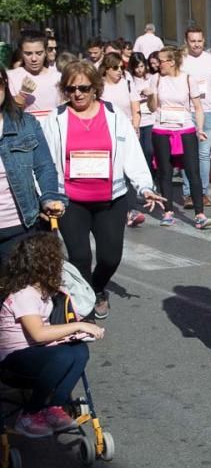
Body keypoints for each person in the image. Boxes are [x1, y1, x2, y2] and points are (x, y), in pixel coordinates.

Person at [41, 61, 164, 320]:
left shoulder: (113, 115)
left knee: (110, 257)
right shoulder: (56, 118)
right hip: (71, 201)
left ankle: (97, 288)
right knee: (80, 256)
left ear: (95, 88)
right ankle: (83, 311)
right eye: (71, 88)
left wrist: (144, 187)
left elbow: (132, 152)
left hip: (111, 200)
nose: (78, 94)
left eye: (84, 88)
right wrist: (47, 195)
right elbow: (45, 161)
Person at [0, 233, 105, 438]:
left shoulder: (45, 291)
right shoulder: (25, 294)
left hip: (38, 353)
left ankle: (53, 407)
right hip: (14, 361)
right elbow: (38, 334)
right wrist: (79, 326)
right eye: (57, 259)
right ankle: (30, 412)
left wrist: (79, 332)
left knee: (79, 351)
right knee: (64, 356)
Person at [0, 65, 66, 261]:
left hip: (21, 227)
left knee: (23, 290)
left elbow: (44, 167)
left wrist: (49, 198)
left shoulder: (26, 123)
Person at [146, 47, 211, 230]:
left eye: (161, 61)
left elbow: (198, 107)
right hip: (162, 129)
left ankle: (200, 214)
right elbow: (152, 108)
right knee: (165, 172)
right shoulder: (156, 78)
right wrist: (151, 95)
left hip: (185, 129)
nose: (157, 64)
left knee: (193, 171)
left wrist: (200, 128)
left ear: (172, 61)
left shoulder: (187, 78)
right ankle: (168, 212)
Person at [180, 26, 211, 210]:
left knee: (204, 154)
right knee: (187, 154)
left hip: (208, 112)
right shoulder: (181, 61)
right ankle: (188, 193)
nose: (196, 44)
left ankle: (204, 192)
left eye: (199, 41)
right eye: (193, 41)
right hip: (186, 112)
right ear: (187, 42)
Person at [98, 54, 144, 227]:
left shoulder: (127, 82)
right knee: (109, 171)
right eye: (115, 68)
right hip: (104, 133)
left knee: (127, 171)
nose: (120, 71)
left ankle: (131, 210)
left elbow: (135, 107)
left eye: (121, 68)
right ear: (107, 69)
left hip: (125, 133)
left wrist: (136, 127)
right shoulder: (99, 85)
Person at [7, 30, 62, 121]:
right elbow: (8, 112)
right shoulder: (11, 77)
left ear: (46, 52)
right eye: (28, 54)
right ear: (21, 53)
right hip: (25, 131)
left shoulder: (58, 78)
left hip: (54, 132)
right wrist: (22, 95)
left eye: (39, 53)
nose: (34, 59)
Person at [128, 53, 156, 178]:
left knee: (149, 150)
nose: (139, 70)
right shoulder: (129, 79)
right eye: (136, 67)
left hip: (150, 118)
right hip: (137, 119)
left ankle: (151, 174)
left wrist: (150, 94)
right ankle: (143, 175)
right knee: (140, 151)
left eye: (141, 66)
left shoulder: (150, 78)